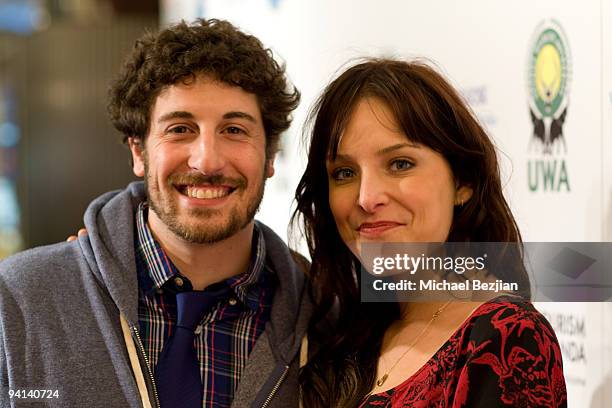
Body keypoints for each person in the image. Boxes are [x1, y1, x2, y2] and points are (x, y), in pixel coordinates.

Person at [0, 19, 311, 408]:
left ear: (270, 155)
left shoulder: (324, 317)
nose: (207, 161)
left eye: (234, 130)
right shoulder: (20, 298)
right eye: (180, 129)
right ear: (138, 152)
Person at [294, 59, 567, 407]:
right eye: (344, 172)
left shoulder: (505, 337)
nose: (366, 198)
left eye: (399, 164)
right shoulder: (345, 333)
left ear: (463, 180)